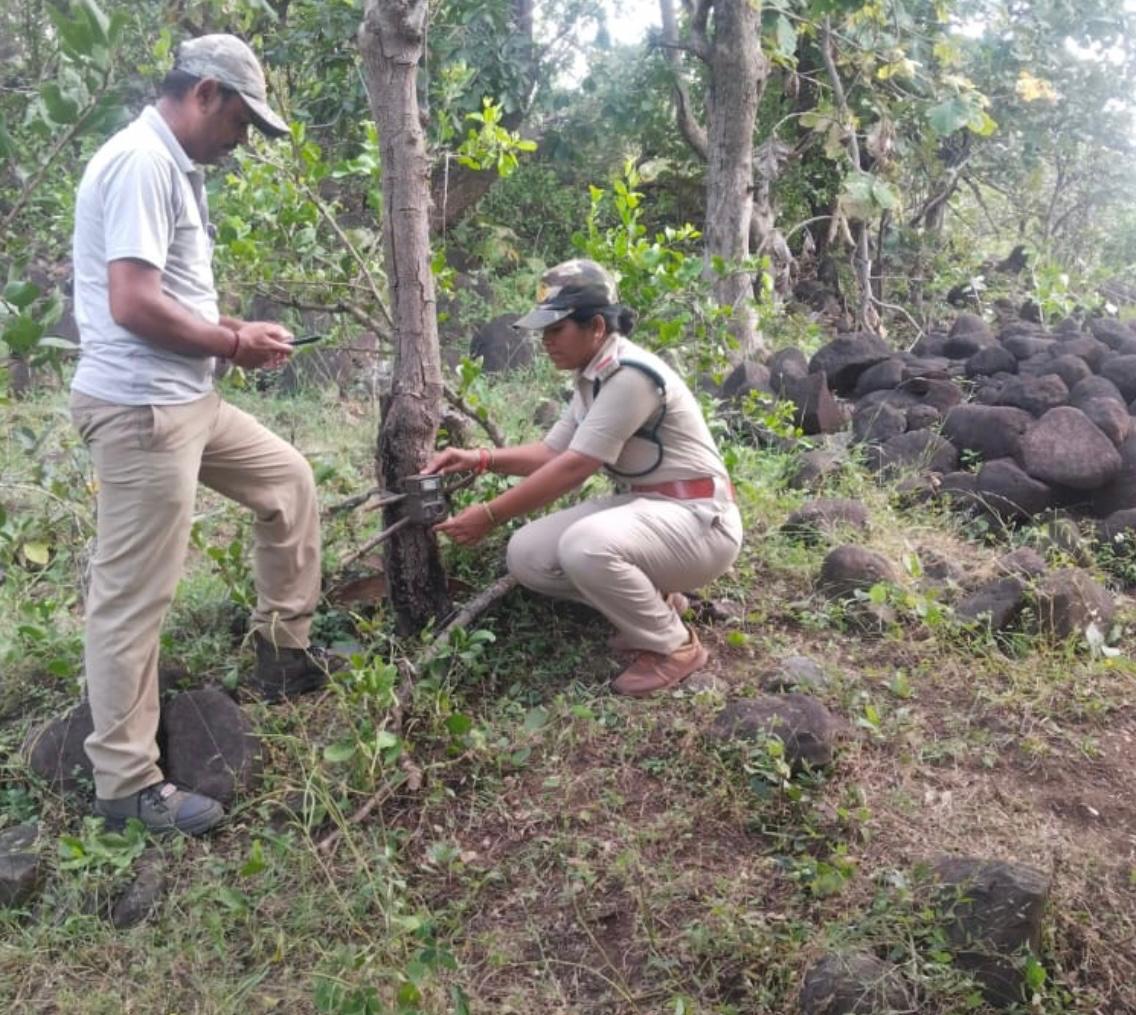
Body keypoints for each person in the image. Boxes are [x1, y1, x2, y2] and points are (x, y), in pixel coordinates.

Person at [70, 35, 335, 836]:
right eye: (241, 121)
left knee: (287, 481)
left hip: (188, 398)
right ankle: (125, 787)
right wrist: (231, 344)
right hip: (144, 411)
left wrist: (230, 329)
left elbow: (166, 293)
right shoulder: (144, 162)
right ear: (206, 93)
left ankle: (281, 654)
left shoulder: (167, 165)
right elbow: (131, 302)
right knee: (132, 596)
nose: (242, 140)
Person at [424, 259, 743, 696]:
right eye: (544, 332)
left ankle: (676, 647)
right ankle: (657, 606)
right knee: (528, 554)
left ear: (595, 325)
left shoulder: (631, 376)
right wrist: (479, 458)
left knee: (585, 545)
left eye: (556, 330)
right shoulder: (592, 377)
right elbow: (552, 452)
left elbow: (576, 466)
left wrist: (489, 514)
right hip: (654, 510)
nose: (546, 342)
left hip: (701, 521)